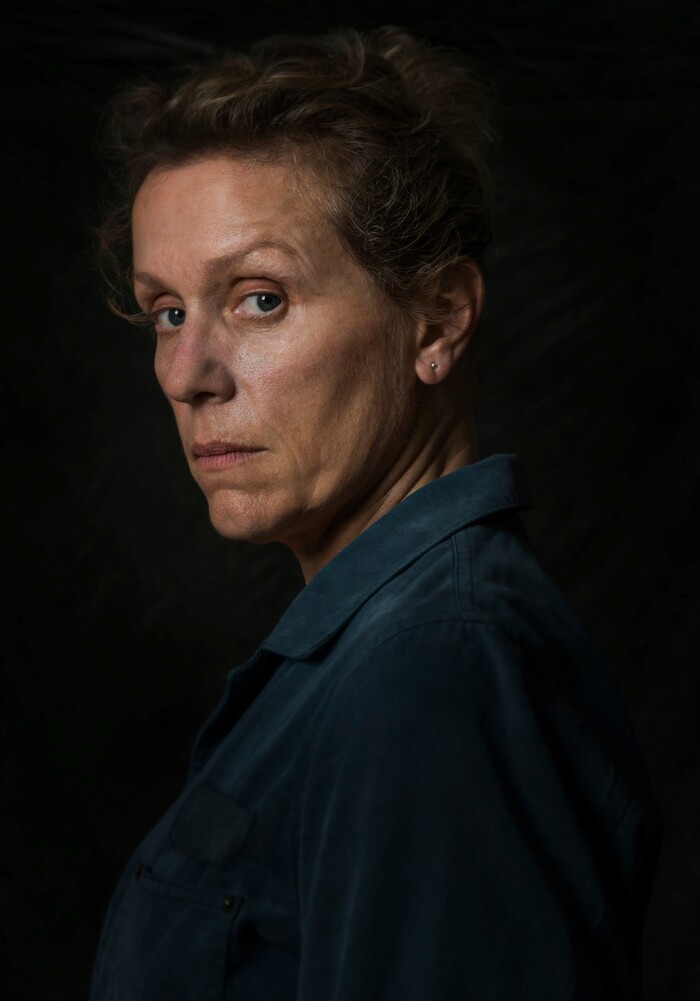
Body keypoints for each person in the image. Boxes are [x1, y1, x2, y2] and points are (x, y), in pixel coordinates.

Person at [91, 25, 660, 1000]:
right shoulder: (382, 646)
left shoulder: (434, 666)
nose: (187, 375)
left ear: (437, 319)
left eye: (259, 299)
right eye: (169, 312)